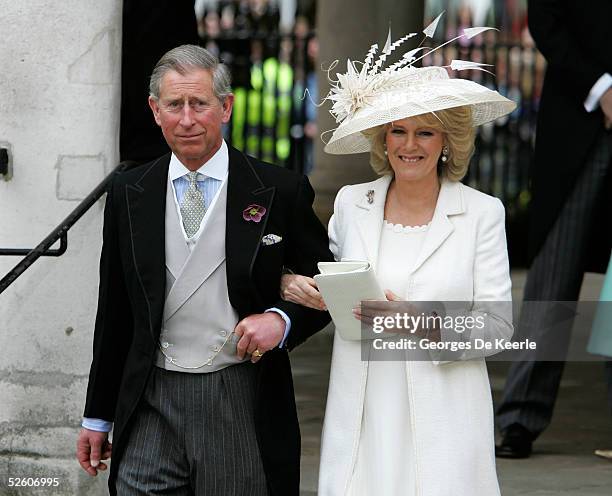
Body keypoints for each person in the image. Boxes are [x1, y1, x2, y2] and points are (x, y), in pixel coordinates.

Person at [76, 44, 332, 496]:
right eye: (175, 105)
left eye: (200, 104)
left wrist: (282, 320)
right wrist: (97, 416)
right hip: (150, 396)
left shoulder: (280, 189)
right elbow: (114, 309)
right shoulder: (128, 191)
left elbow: (329, 288)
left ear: (226, 107)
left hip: (238, 394)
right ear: (155, 111)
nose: (188, 119)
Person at [280, 25, 516, 495]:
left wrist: (416, 321)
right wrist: (296, 286)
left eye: (425, 132)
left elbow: (497, 328)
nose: (410, 145)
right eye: (398, 131)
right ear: (382, 140)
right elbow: (333, 284)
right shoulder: (351, 203)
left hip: (445, 413)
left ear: (447, 141)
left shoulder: (481, 213)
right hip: (364, 408)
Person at [495, 0, 612, 459]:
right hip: (580, 122)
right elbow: (547, 19)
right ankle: (521, 416)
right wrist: (601, 89)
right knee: (554, 273)